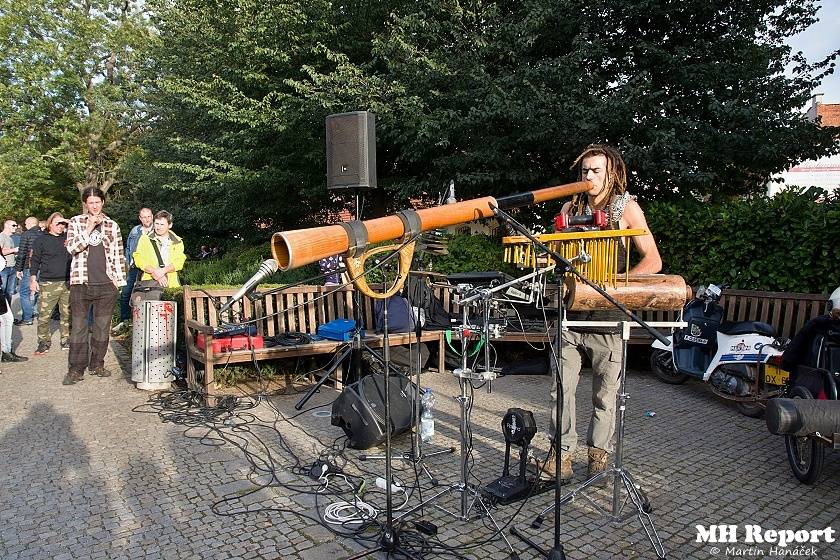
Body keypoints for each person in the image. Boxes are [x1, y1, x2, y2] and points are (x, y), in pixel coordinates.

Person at [545, 144, 662, 482]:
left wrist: (618, 290)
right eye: (584, 171)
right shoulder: (569, 208)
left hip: (609, 319)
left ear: (612, 174)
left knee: (605, 394)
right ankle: (561, 457)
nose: (588, 176)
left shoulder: (627, 208)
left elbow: (653, 261)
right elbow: (557, 257)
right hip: (570, 315)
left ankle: (598, 458)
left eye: (596, 170)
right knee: (561, 389)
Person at [64, 187, 127, 385]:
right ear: (85, 204)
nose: (94, 206)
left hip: (106, 284)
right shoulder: (75, 222)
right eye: (90, 202)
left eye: (97, 202)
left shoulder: (112, 225)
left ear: (102, 203)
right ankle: (76, 369)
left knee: (101, 327)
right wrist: (89, 226)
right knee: (79, 328)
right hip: (81, 283)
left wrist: (119, 281)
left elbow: (118, 253)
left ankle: (97, 364)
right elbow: (72, 248)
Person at [29, 213, 72, 355]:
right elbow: (35, 260)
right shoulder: (41, 240)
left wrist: (67, 221)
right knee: (44, 315)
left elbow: (80, 229)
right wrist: (33, 279)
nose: (61, 226)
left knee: (66, 314)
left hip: (66, 282)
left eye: (63, 224)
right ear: (50, 224)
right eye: (58, 223)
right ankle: (43, 341)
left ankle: (65, 339)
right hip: (48, 283)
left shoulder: (68, 239)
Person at [131, 210, 186, 305]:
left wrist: (162, 271)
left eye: (162, 224)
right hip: (149, 284)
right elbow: (138, 258)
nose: (158, 227)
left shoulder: (177, 241)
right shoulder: (145, 239)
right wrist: (153, 271)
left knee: (171, 316)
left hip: (171, 284)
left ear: (170, 225)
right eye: (156, 223)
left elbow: (179, 261)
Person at [113, 207, 153, 335]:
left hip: (150, 268)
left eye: (149, 216)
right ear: (140, 218)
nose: (147, 219)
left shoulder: (157, 230)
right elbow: (129, 247)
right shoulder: (135, 230)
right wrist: (129, 262)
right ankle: (124, 321)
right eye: (144, 217)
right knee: (126, 293)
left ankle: (144, 324)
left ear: (152, 216)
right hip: (134, 267)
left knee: (147, 294)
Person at [14, 216, 43, 325]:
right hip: (44, 267)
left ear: (30, 224)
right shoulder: (45, 234)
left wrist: (18, 269)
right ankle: (37, 312)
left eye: (26, 224)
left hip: (29, 266)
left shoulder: (26, 234)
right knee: (40, 291)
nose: (25, 226)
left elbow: (22, 253)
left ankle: (27, 318)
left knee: (24, 292)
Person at [0, 219, 19, 301]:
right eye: (13, 225)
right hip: (3, 268)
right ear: (6, 225)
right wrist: (13, 250)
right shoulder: (1, 236)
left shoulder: (10, 238)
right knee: (2, 292)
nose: (16, 227)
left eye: (16, 225)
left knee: (9, 293)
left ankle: (8, 313)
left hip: (12, 268)